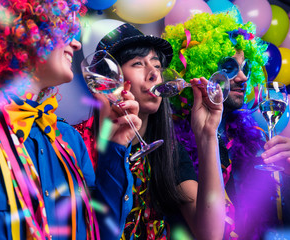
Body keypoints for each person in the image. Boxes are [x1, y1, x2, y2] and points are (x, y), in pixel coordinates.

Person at [0, 0, 138, 239]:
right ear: (22, 31)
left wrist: (115, 146)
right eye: (65, 31)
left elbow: (103, 233)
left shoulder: (69, 140)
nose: (75, 44)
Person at [162, 12, 290, 239]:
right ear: (199, 70)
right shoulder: (172, 144)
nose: (244, 78)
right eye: (229, 68)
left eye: (246, 67)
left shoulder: (257, 139)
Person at [74, 22, 226, 239]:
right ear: (106, 78)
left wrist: (207, 134)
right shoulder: (74, 143)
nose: (154, 74)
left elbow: (210, 234)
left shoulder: (168, 152)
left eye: (156, 65)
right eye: (138, 63)